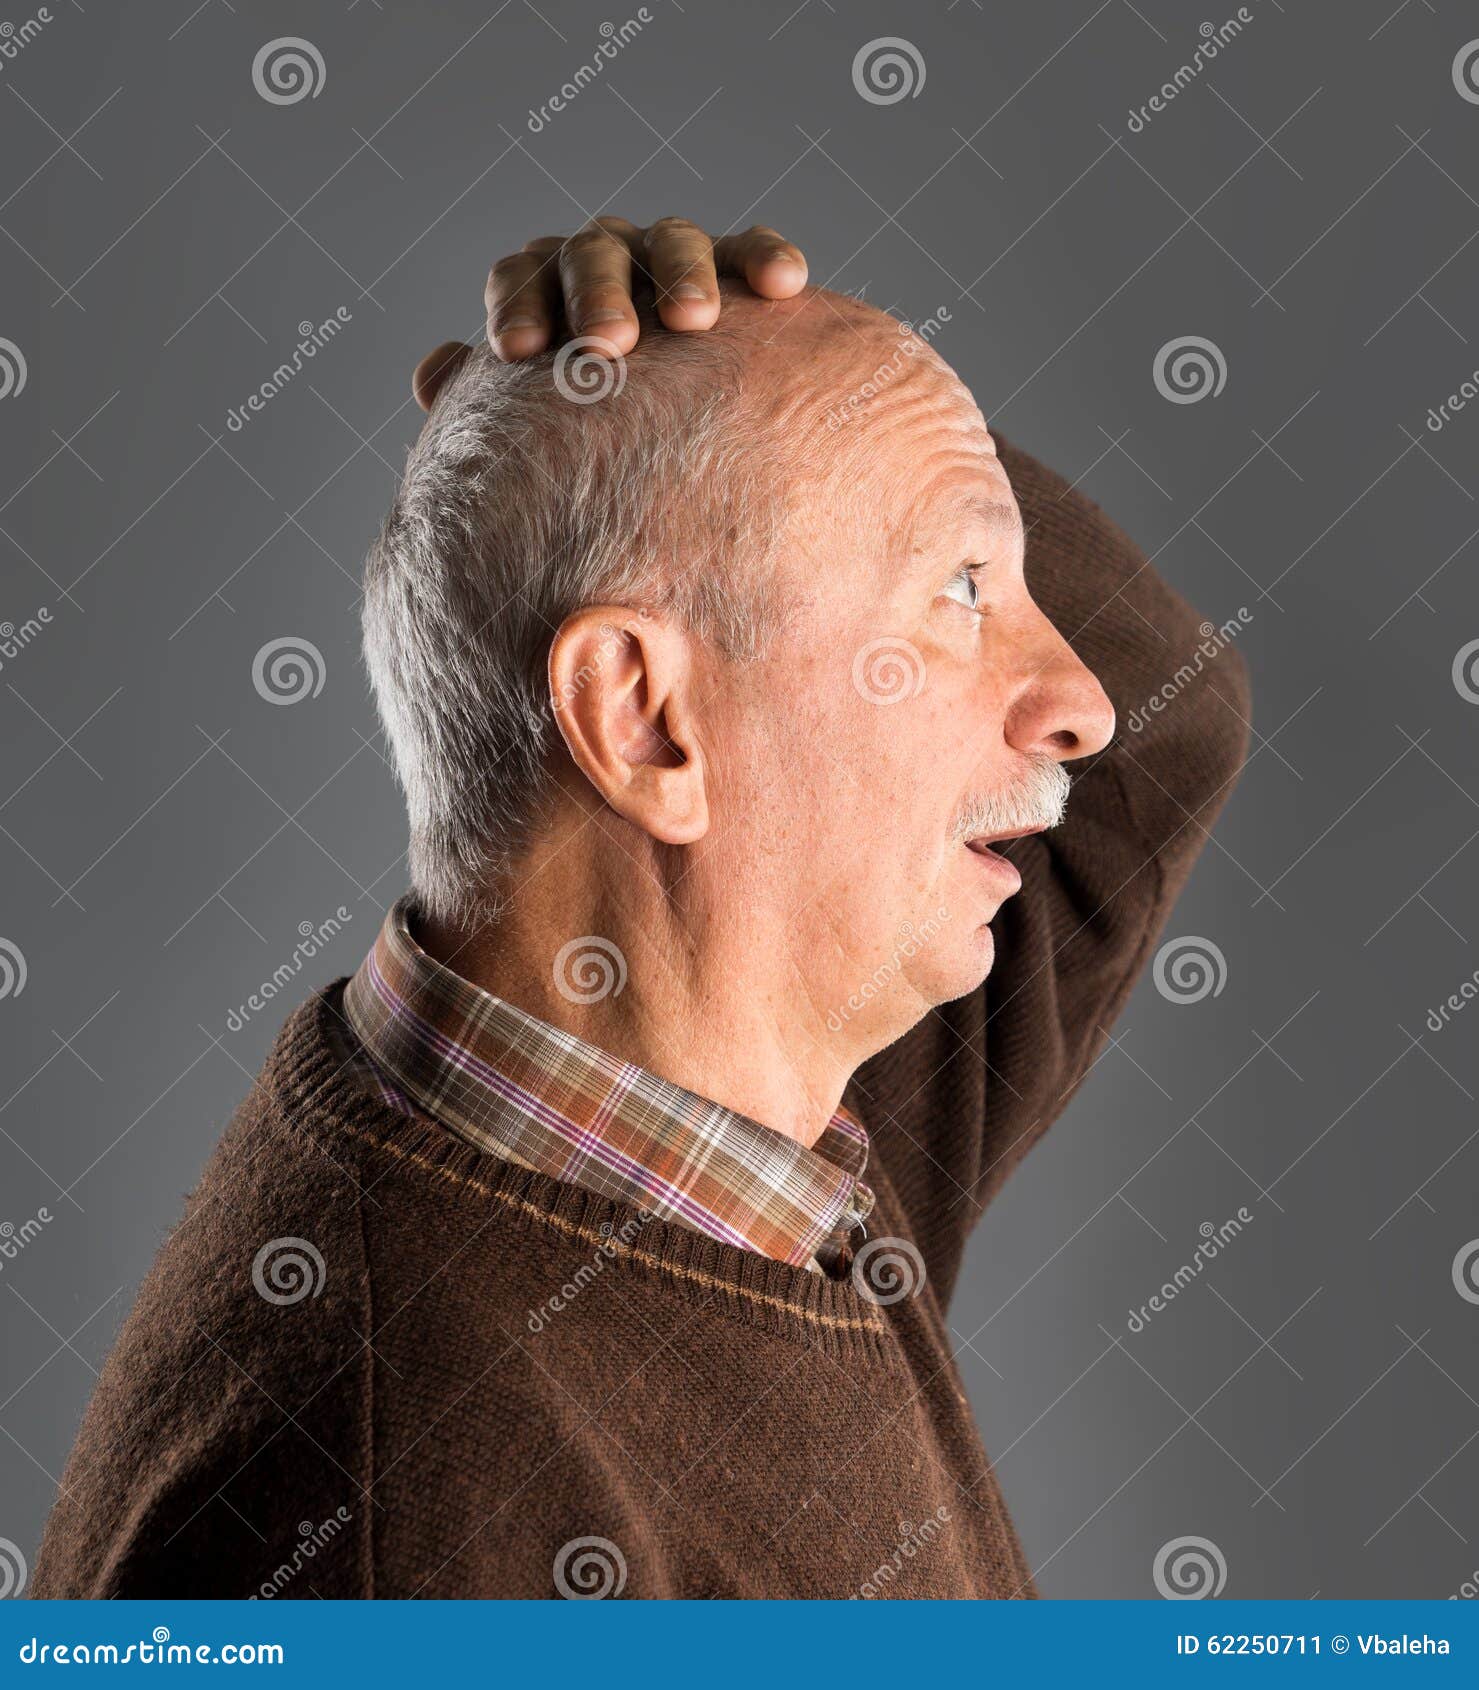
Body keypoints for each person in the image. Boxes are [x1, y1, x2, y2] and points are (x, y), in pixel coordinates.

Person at [33, 220, 1249, 1600]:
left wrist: (682, 404)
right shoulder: (408, 1514)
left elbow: (1159, 725)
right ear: (645, 716)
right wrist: (674, 434)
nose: (1078, 699)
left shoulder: (741, 1126)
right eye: (962, 592)